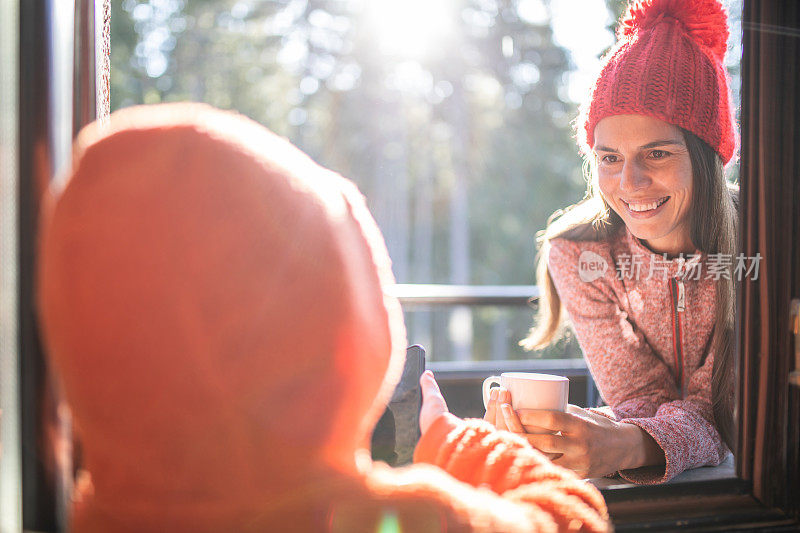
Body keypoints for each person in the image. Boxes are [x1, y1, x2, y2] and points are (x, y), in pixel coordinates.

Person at [37, 103, 609, 531]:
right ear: (352, 341)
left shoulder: (88, 516)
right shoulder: (372, 517)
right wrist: (449, 441)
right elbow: (574, 516)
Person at [484, 0, 738, 484]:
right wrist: (586, 433)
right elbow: (641, 396)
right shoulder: (580, 254)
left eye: (657, 153)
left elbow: (723, 412)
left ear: (707, 158)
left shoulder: (760, 242)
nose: (630, 182)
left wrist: (623, 441)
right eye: (609, 158)